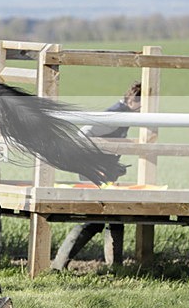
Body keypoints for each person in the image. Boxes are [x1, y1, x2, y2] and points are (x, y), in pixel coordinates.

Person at [51, 81, 142, 271]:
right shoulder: (117, 113)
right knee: (94, 217)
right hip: (92, 168)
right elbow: (84, 134)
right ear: (133, 100)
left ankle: (115, 266)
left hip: (101, 169)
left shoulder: (125, 112)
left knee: (113, 214)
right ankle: (59, 264)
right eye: (141, 103)